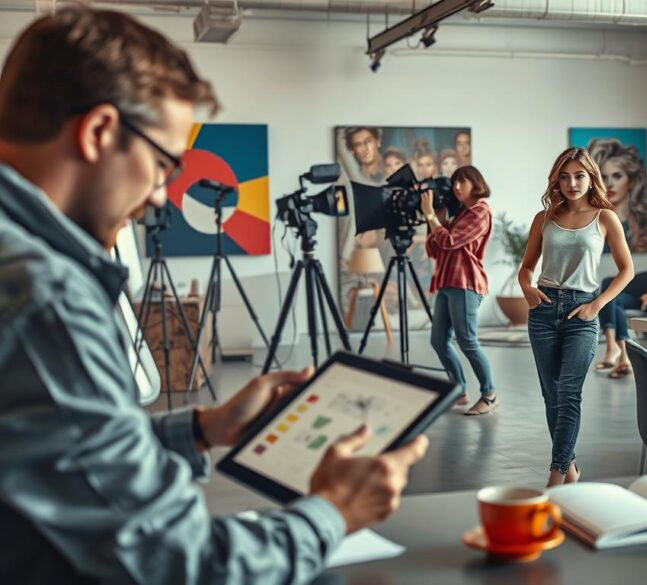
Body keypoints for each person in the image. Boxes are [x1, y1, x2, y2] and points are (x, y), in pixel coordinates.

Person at [0, 7, 428, 583]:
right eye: (162, 165)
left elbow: (54, 458)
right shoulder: (44, 296)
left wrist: (204, 428)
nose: (159, 197)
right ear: (99, 131)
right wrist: (333, 512)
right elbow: (176, 562)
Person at [519, 147, 634, 487]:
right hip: (543, 309)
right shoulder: (544, 218)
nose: (572, 183)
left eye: (579, 176)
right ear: (557, 181)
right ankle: (570, 470)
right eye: (565, 177)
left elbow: (627, 270)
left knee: (569, 392)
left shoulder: (605, 218)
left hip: (582, 311)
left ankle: (555, 477)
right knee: (551, 395)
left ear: (591, 178)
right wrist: (526, 289)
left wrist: (597, 304)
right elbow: (526, 268)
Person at [421, 166, 496, 415]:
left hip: (465, 283)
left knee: (467, 341)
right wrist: (435, 219)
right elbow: (434, 248)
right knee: (438, 341)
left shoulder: (480, 212)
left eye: (462, 181)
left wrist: (431, 217)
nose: (456, 187)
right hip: (447, 282)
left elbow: (450, 241)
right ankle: (458, 390)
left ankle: (489, 394)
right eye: (454, 182)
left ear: (476, 183)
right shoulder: (459, 214)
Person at [586, 137, 647, 253]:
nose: (609, 184)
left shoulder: (641, 227)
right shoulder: (592, 225)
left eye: (617, 176)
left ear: (631, 181)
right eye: (604, 178)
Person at [594, 281, 647, 379]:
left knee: (609, 296)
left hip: (637, 299)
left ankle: (612, 349)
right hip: (622, 296)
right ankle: (624, 357)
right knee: (616, 307)